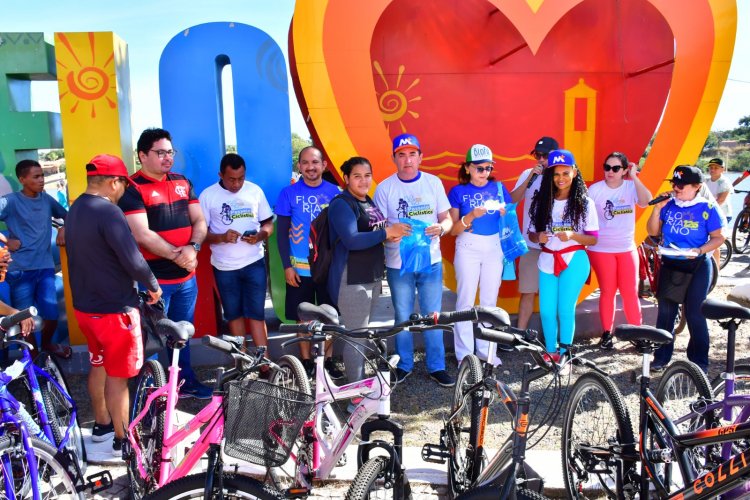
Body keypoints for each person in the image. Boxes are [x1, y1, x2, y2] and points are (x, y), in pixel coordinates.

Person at [66, 154, 162, 456]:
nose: (123, 191)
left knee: (99, 365)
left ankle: (102, 425)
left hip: (85, 309)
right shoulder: (109, 212)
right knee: (119, 378)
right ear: (113, 182)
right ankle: (124, 442)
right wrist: (154, 285)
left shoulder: (76, 208)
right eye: (123, 184)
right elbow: (133, 259)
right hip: (115, 311)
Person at [118, 128, 210, 399]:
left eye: (170, 152)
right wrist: (178, 255)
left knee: (181, 334)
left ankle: (184, 383)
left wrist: (193, 249)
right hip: (153, 282)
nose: (168, 158)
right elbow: (142, 234)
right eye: (160, 153)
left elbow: (200, 221)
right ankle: (153, 394)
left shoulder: (182, 181)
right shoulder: (132, 188)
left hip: (185, 280)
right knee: (153, 342)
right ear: (142, 155)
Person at [373, 133, 455, 387]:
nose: (407, 160)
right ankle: (404, 364)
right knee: (402, 315)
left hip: (430, 261)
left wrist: (441, 228)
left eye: (412, 154)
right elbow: (377, 224)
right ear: (394, 159)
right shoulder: (385, 188)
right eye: (401, 155)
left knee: (433, 315)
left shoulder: (433, 183)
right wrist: (390, 233)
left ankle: (437, 366)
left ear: (421, 157)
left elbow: (448, 218)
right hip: (399, 264)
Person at [327, 157, 409, 382]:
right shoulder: (341, 204)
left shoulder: (367, 201)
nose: (363, 181)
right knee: (356, 338)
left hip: (371, 276)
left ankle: (360, 387)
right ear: (346, 178)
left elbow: (377, 233)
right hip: (351, 279)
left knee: (362, 335)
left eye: (367, 175)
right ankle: (356, 395)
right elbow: (352, 240)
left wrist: (392, 235)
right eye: (357, 176)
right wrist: (387, 233)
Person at [647, 165, 726, 373]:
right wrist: (657, 209)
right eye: (673, 183)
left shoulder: (707, 207)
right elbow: (652, 232)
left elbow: (719, 237)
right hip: (671, 263)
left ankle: (699, 361)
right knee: (665, 313)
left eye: (681, 185)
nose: (676, 188)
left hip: (697, 264)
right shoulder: (668, 204)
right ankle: (661, 357)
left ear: (697, 187)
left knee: (695, 313)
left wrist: (699, 250)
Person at [276, 146, 344, 379]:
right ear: (299, 166)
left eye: (315, 162)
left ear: (324, 165)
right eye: (305, 162)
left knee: (331, 314)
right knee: (302, 316)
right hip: (299, 268)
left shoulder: (336, 192)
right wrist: (287, 266)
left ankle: (328, 360)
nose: (310, 167)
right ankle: (305, 362)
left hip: (328, 267)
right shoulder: (288, 194)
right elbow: (281, 234)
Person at [199, 153, 273, 354]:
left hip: (254, 263)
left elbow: (268, 223)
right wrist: (221, 237)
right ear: (220, 175)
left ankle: (264, 362)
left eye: (241, 178)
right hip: (224, 267)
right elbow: (201, 234)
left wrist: (259, 236)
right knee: (234, 315)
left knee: (257, 314)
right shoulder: (208, 196)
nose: (237, 184)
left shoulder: (254, 191)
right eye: (231, 179)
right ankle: (242, 363)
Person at [528, 150, 598, 357]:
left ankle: (565, 355)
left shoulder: (585, 202)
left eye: (566, 173)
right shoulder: (542, 201)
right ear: (550, 175)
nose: (561, 178)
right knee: (547, 311)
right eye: (556, 174)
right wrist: (538, 236)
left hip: (574, 259)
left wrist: (573, 235)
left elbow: (593, 239)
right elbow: (533, 234)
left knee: (565, 310)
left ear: (574, 173)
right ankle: (551, 352)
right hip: (547, 259)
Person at [0, 159, 69, 358]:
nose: (41, 180)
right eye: (36, 177)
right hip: (20, 270)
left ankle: (46, 345)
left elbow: (66, 215)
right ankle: (34, 354)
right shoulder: (10, 201)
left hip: (45, 268)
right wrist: (6, 240)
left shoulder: (46, 200)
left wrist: (63, 228)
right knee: (24, 318)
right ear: (22, 179)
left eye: (42, 176)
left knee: (52, 315)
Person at [447, 144, 509, 365]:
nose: (484, 173)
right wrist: (471, 216)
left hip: (494, 246)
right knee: (465, 300)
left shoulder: (499, 188)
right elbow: (453, 230)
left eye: (488, 168)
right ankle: (464, 353)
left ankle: (487, 352)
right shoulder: (457, 192)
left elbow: (510, 219)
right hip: (467, 247)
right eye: (479, 168)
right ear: (467, 168)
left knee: (489, 301)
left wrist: (505, 213)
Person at [587, 152, 652, 350]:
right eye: (607, 167)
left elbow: (647, 201)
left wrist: (634, 177)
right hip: (601, 249)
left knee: (630, 292)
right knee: (607, 291)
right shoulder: (595, 189)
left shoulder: (631, 186)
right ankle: (607, 334)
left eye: (616, 168)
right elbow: (585, 217)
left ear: (624, 170)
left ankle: (638, 333)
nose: (610, 172)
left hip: (626, 248)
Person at [510, 136, 559, 329]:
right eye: (537, 155)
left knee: (554, 294)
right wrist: (530, 177)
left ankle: (555, 339)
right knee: (528, 291)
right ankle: (519, 333)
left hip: (556, 245)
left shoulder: (562, 175)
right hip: (531, 244)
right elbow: (512, 201)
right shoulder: (528, 174)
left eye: (545, 155)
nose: (540, 159)